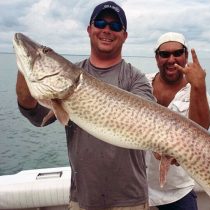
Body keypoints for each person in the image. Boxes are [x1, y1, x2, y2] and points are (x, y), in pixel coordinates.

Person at [15, 1, 155, 210]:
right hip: (83, 199)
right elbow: (36, 116)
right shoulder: (68, 77)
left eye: (115, 26)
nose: (106, 30)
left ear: (124, 36)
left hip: (130, 200)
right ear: (90, 29)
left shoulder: (136, 79)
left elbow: (149, 124)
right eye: (100, 23)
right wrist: (27, 70)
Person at [146, 32, 210, 210]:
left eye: (177, 53)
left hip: (178, 193)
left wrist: (199, 86)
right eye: (164, 54)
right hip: (139, 188)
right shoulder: (142, 84)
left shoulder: (196, 91)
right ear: (156, 58)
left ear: (185, 56)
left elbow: (201, 131)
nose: (171, 59)